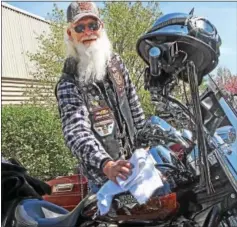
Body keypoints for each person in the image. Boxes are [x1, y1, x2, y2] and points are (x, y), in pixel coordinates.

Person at [55, 1, 146, 193]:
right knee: (116, 221)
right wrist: (107, 164)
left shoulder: (116, 64)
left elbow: (135, 108)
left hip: (137, 166)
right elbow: (76, 132)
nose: (88, 32)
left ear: (101, 27)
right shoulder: (68, 83)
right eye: (80, 27)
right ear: (70, 34)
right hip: (105, 180)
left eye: (93, 25)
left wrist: (146, 145)